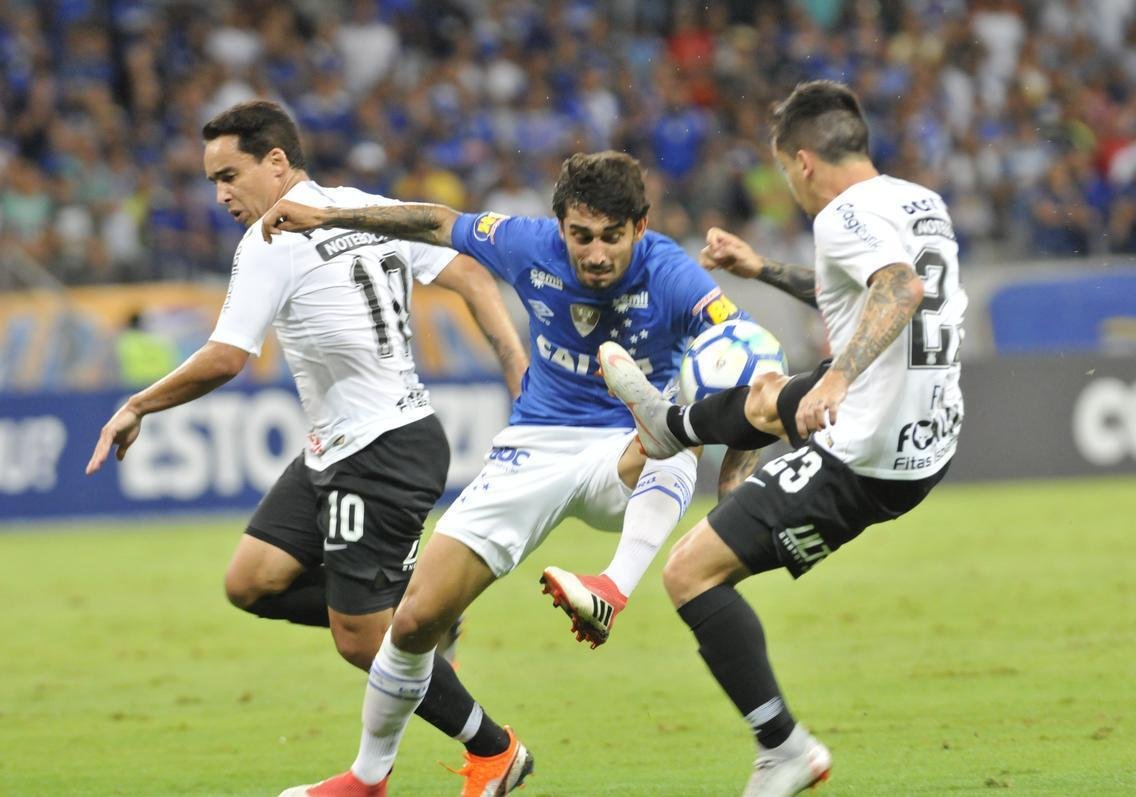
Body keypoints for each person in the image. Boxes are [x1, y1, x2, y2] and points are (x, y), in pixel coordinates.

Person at [260, 150, 760, 796]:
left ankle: (613, 583)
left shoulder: (674, 275)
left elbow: (752, 371)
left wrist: (735, 496)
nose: (596, 254)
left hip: (626, 457)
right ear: (559, 227)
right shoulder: (528, 244)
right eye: (581, 235)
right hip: (535, 443)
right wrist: (328, 216)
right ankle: (371, 778)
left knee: (679, 418)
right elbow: (438, 223)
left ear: (641, 226)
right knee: (413, 621)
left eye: (613, 236)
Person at [85, 100, 533, 796]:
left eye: (229, 175)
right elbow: (471, 275)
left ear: (276, 162)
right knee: (251, 579)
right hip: (341, 447)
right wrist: (516, 369)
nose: (221, 194)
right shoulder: (365, 207)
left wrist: (137, 402)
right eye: (211, 181)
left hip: (382, 449)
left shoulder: (272, 239)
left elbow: (229, 356)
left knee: (360, 638)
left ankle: (493, 750)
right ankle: (413, 610)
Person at [599, 80, 966, 795]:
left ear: (800, 162)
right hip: (930, 435)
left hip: (867, 452)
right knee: (769, 396)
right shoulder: (919, 201)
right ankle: (671, 428)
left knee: (689, 574)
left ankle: (784, 747)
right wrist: (762, 269)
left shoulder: (839, 215)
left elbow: (898, 290)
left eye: (779, 172)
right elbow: (868, 289)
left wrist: (837, 380)